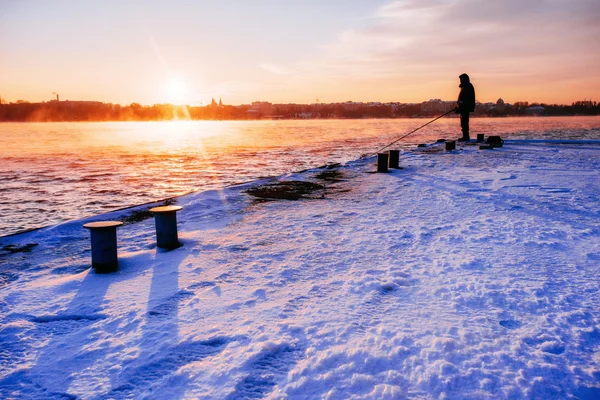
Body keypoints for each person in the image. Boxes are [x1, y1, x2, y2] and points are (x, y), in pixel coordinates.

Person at [456, 73, 476, 142]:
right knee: (463, 122)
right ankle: (465, 136)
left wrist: (461, 104)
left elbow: (466, 98)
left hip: (465, 108)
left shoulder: (467, 86)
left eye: (461, 79)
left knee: (464, 122)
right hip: (463, 107)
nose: (460, 81)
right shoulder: (465, 86)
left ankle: (466, 137)